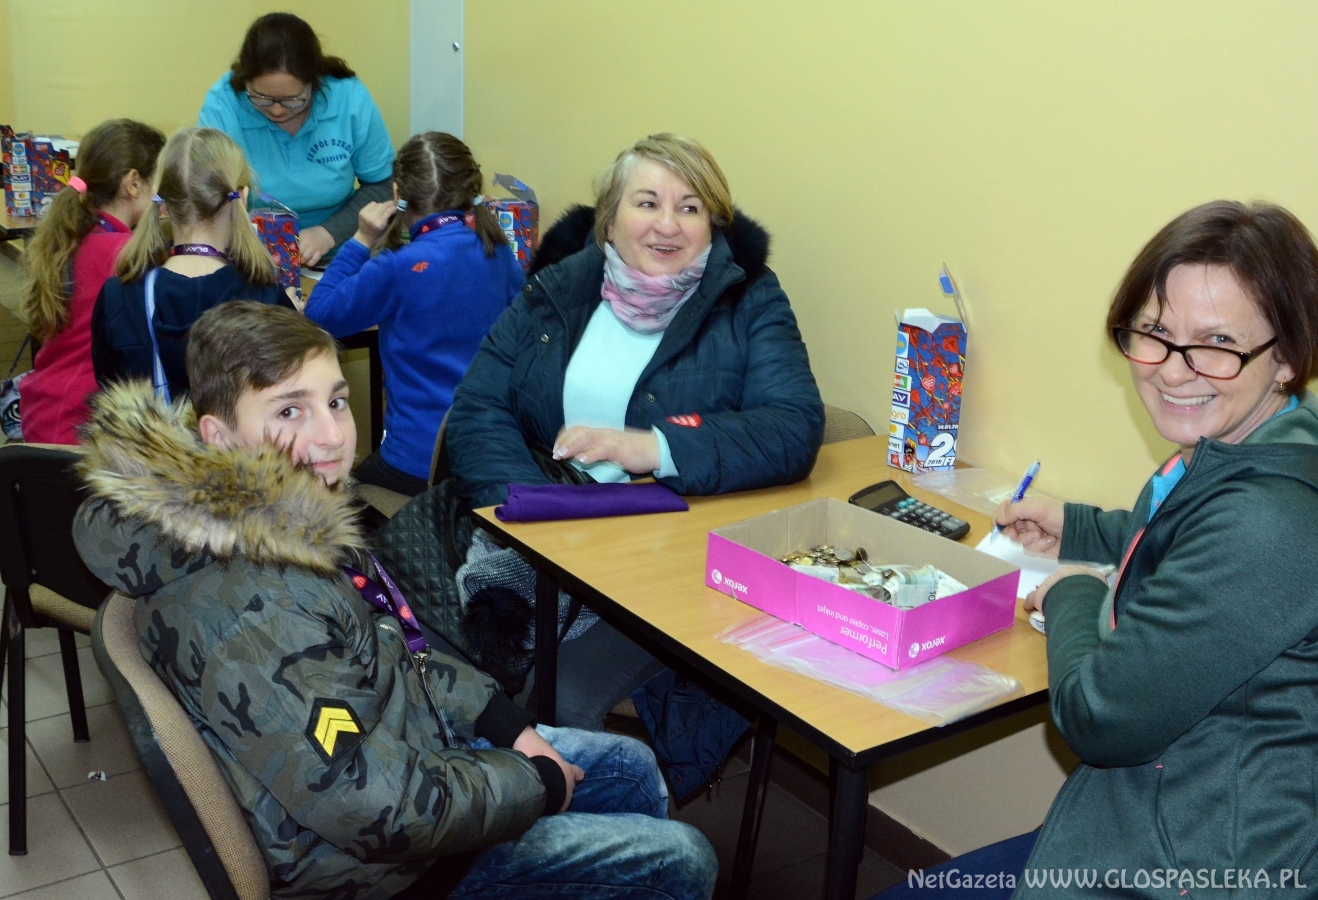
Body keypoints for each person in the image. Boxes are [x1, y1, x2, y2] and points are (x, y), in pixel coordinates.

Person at [72, 302, 717, 900]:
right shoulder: (255, 608)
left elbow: (393, 650)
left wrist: (501, 722)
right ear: (219, 437)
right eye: (290, 412)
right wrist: (534, 784)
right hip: (381, 868)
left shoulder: (282, 519)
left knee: (631, 768)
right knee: (683, 860)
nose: (332, 437)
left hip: (403, 759)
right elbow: (375, 811)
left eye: (336, 401)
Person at [990, 201, 1318, 898]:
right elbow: (1191, 541)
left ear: (1287, 357)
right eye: (1157, 334)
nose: (1172, 371)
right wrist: (1082, 528)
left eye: (1217, 343)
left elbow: (1099, 719)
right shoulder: (1259, 444)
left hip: (1203, 859)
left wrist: (1073, 592)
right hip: (1179, 809)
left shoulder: (1270, 521)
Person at [446, 133, 825, 730]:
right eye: (647, 203)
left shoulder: (750, 297)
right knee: (434, 652)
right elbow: (478, 406)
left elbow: (793, 426)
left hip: (666, 569)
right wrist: (537, 509)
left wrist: (656, 447)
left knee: (559, 697)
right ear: (611, 219)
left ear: (712, 224)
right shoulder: (561, 286)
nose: (667, 225)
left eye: (689, 207)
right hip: (540, 538)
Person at [305, 132, 522, 496]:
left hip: (417, 461)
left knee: (343, 494)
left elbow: (319, 315)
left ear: (397, 195)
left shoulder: (398, 266)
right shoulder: (499, 253)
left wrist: (360, 240)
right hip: (488, 453)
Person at [92, 127, 293, 400]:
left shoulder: (118, 297)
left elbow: (109, 388)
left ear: (162, 205)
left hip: (152, 429)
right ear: (242, 198)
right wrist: (292, 320)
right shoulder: (266, 297)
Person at [199, 12, 395, 266]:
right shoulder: (222, 105)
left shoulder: (349, 99)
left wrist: (327, 234)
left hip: (338, 251)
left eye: (292, 100)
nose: (277, 110)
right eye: (261, 98)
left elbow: (382, 186)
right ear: (244, 80)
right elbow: (203, 195)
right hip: (248, 254)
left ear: (315, 81)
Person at [17, 119, 165, 444]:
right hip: (84, 429)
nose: (162, 195)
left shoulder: (70, 235)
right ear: (134, 183)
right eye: (160, 183)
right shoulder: (123, 253)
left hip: (43, 414)